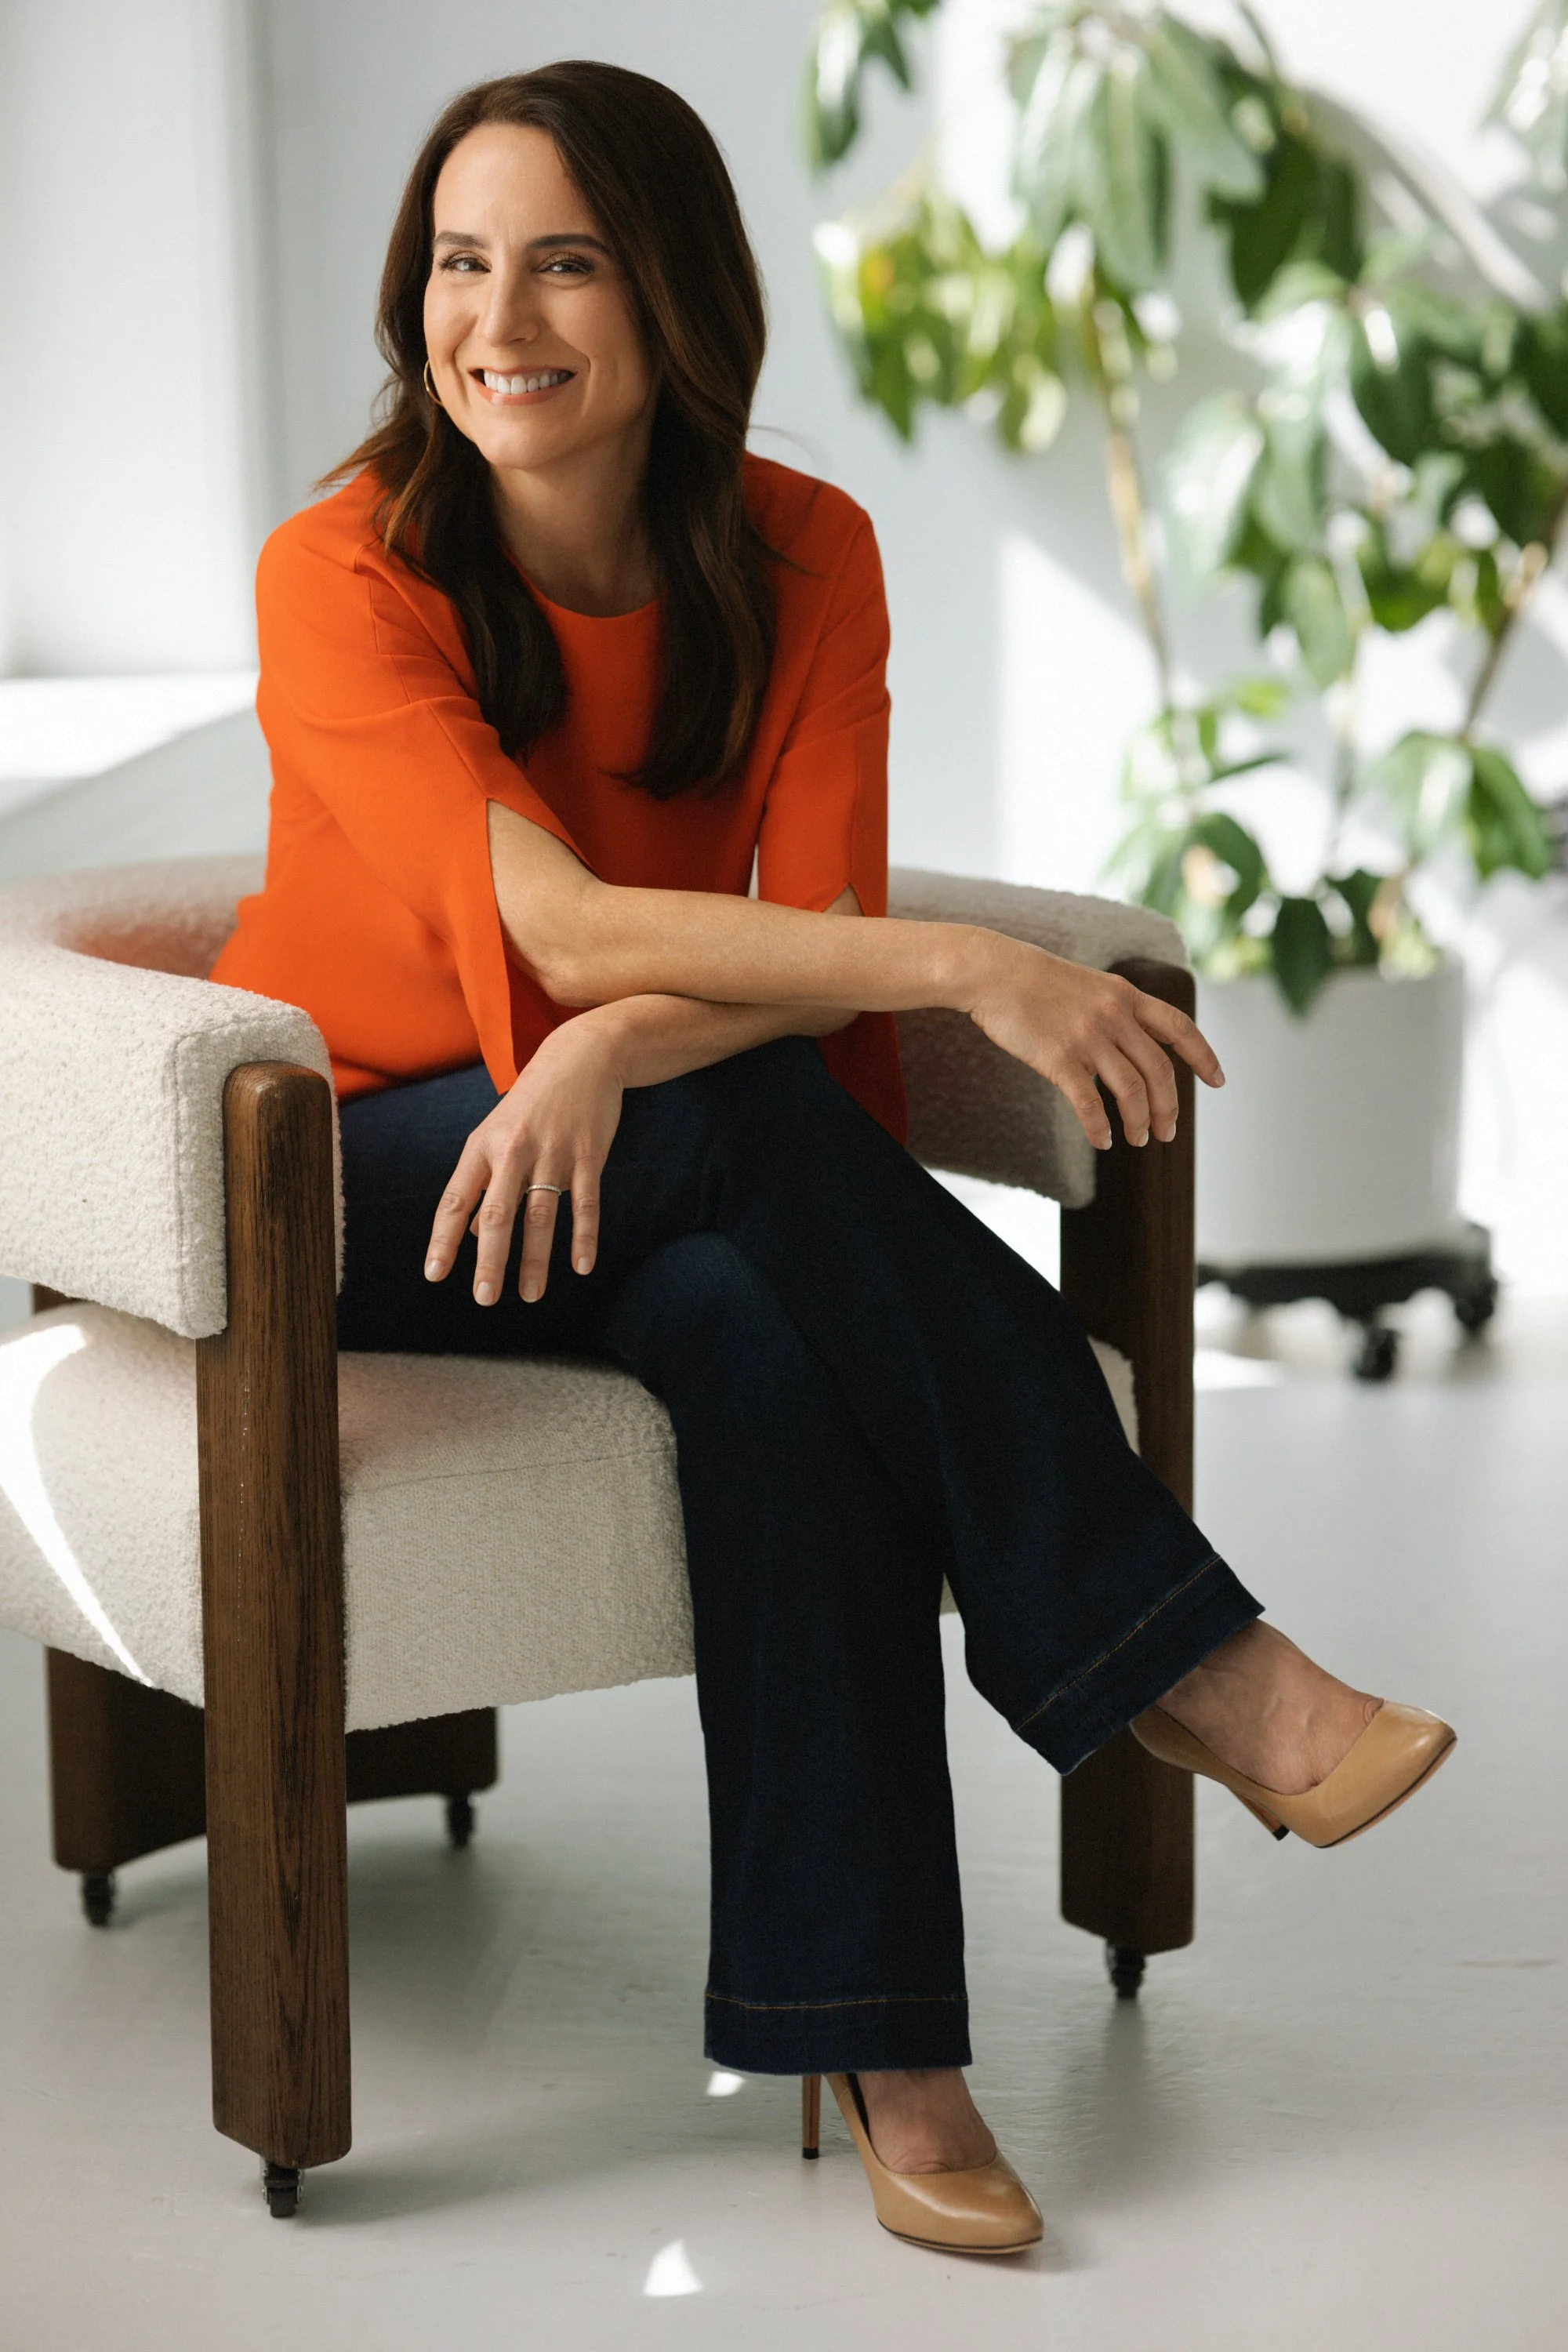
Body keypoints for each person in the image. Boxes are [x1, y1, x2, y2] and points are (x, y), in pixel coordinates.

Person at [212, 61, 1455, 2255]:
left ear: (676, 292)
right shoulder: (345, 571)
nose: (497, 316)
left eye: (566, 258)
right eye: (459, 262)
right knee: (749, 1125)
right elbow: (578, 927)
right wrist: (951, 964)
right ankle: (1194, 1665)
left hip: (652, 1158)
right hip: (364, 1176)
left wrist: (607, 1056)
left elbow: (794, 963)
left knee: (755, 1339)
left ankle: (884, 2037)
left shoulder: (807, 554)